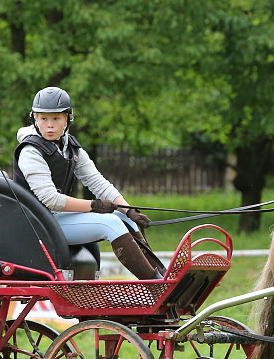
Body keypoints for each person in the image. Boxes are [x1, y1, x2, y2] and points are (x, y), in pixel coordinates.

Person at [13, 86, 163, 280]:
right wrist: (94, 206)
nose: (49, 125)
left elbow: (98, 183)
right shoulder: (30, 151)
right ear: (35, 119)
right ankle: (155, 285)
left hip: (57, 219)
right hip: (38, 224)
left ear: (67, 119)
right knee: (111, 223)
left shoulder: (71, 148)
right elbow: (50, 199)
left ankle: (162, 276)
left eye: (56, 118)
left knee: (122, 218)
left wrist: (129, 210)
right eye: (44, 118)